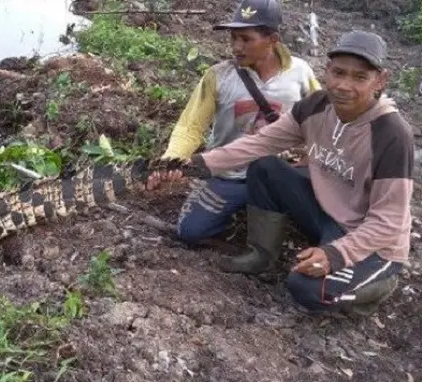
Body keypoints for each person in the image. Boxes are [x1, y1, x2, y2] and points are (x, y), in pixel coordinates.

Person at [147, 30, 415, 316]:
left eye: (359, 77)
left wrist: (336, 254)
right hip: (328, 215)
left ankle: (375, 286)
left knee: (306, 289)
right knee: (266, 166)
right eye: (338, 73)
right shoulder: (316, 106)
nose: (344, 85)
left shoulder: (392, 135)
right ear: (327, 71)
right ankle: (262, 256)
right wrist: (194, 165)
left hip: (373, 241)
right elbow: (259, 143)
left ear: (380, 80)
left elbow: (388, 221)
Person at [154, 0, 321, 244]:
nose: (236, 47)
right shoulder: (219, 76)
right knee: (190, 232)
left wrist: (313, 155)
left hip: (278, 173)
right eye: (233, 38)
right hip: (228, 173)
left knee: (319, 227)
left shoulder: (301, 73)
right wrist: (171, 160)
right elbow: (190, 126)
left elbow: (321, 120)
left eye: (245, 38)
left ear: (273, 39)